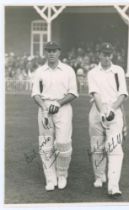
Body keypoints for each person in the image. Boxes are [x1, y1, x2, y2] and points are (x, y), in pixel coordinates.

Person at [31, 41, 78, 191]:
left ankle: (62, 175)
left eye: (54, 50)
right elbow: (35, 94)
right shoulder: (40, 71)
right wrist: (44, 108)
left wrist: (58, 103)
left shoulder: (68, 70)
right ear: (45, 52)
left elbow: (73, 93)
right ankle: (50, 179)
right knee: (46, 145)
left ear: (59, 52)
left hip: (62, 108)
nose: (51, 53)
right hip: (44, 109)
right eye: (48, 50)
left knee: (63, 143)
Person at [87, 42, 128, 198]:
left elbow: (122, 94)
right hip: (97, 111)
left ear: (112, 55)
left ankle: (113, 185)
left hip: (114, 110)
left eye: (109, 54)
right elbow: (95, 94)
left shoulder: (118, 71)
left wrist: (111, 110)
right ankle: (99, 176)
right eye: (104, 54)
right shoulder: (92, 73)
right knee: (97, 145)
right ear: (99, 54)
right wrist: (103, 111)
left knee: (115, 148)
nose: (107, 57)